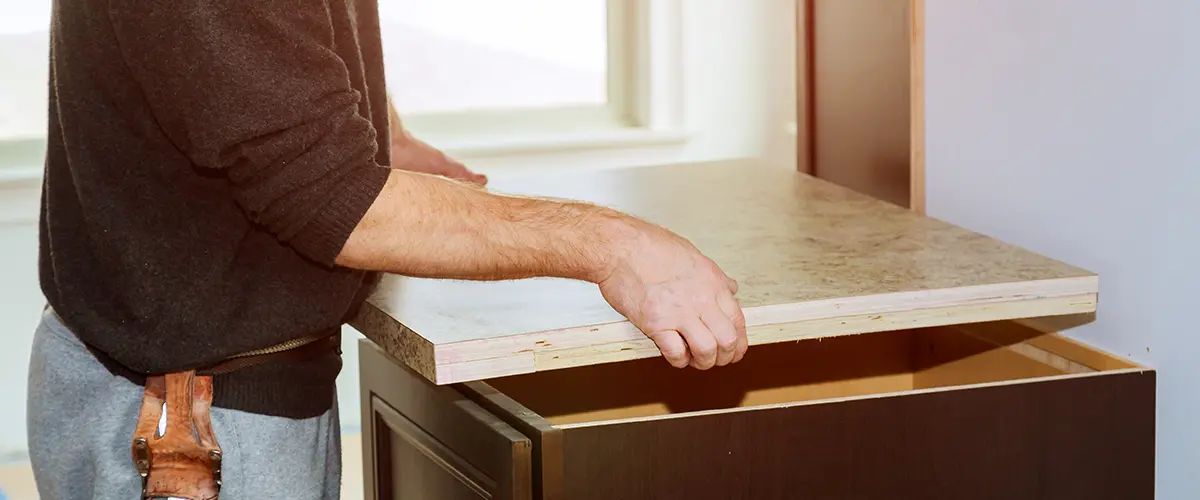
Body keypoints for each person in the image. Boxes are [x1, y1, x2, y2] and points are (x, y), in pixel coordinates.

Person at [26, 0, 748, 498]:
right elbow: (334, 203)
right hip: (184, 423)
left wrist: (382, 131)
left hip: (201, 384)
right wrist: (614, 245)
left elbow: (275, 48)